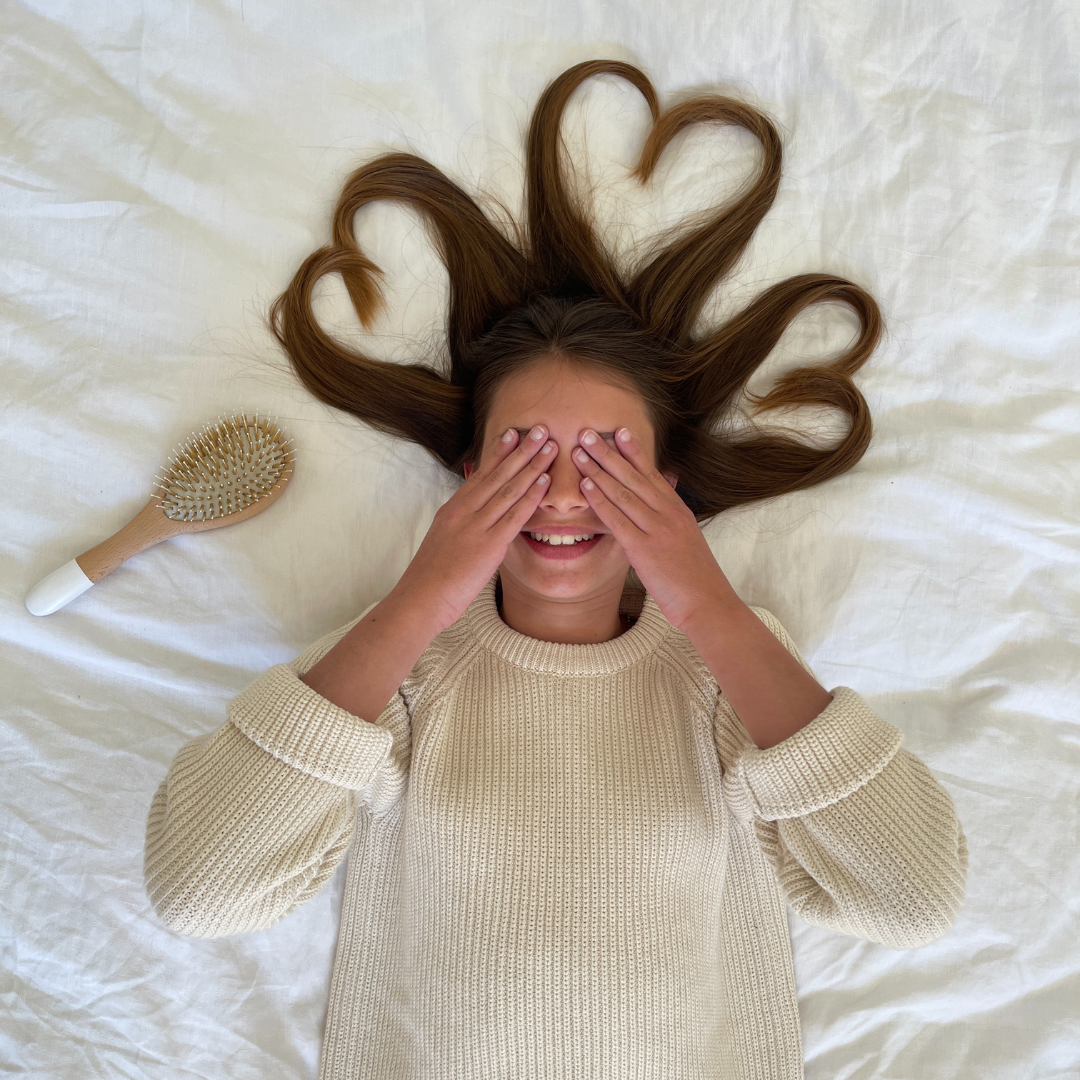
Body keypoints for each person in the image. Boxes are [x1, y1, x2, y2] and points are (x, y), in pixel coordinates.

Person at [143, 60, 968, 1080]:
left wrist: (705, 603)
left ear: (671, 484)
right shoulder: (395, 673)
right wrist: (422, 598)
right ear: (465, 473)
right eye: (526, 456)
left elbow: (918, 900)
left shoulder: (729, 676)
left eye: (611, 462)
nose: (567, 495)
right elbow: (197, 891)